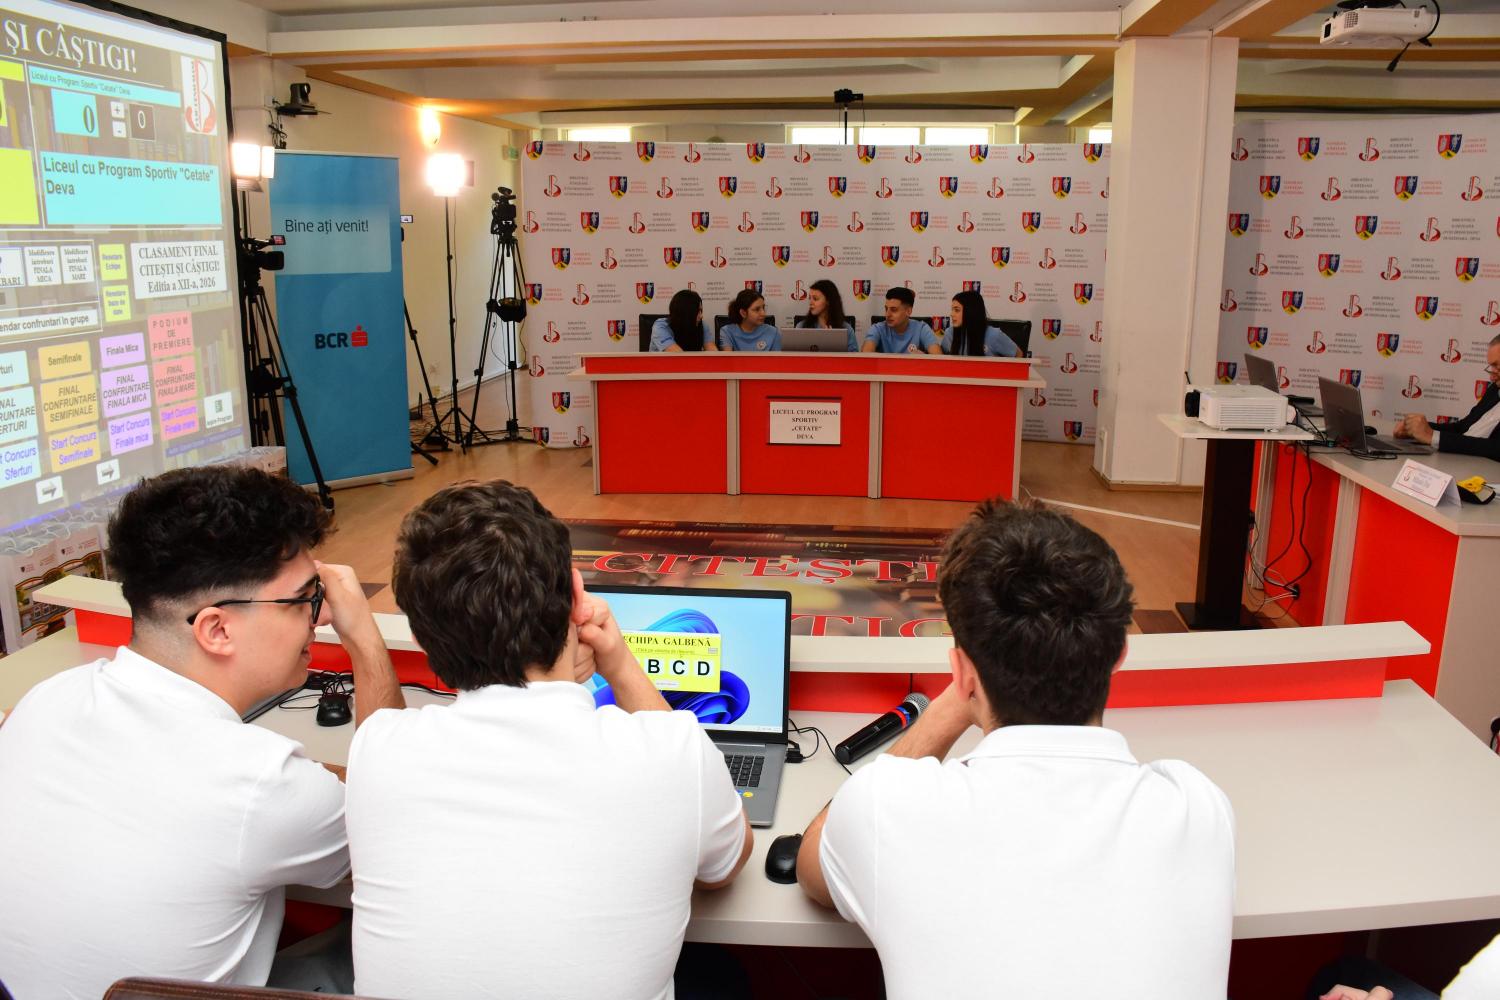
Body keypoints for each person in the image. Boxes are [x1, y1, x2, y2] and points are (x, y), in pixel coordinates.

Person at [796, 499, 1236, 1000]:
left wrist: (961, 694)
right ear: (1118, 654)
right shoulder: (1199, 808)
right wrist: (972, 677)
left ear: (962, 671)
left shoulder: (888, 804)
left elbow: (811, 869)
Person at [0, 466, 403, 1000]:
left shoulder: (44, 700)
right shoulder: (263, 786)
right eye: (304, 599)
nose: (321, 617)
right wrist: (365, 639)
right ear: (216, 628)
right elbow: (395, 818)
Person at [346, 480, 753, 1000]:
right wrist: (620, 664)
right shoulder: (673, 751)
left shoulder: (378, 749)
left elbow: (380, 729)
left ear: (423, 639)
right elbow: (724, 867)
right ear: (576, 597)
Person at [1394, 333, 1500, 460]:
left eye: (1497, 367)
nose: (1491, 377)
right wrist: (1415, 429)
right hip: (1457, 460)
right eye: (1491, 367)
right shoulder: (1495, 390)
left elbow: (1495, 448)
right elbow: (1462, 428)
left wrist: (1432, 436)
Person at [862, 286, 941, 354]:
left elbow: (938, 358)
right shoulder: (877, 329)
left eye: (894, 310)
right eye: (886, 309)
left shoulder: (921, 329)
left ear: (908, 311)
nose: (887, 314)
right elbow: (865, 357)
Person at [944, 289, 1019, 357]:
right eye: (952, 310)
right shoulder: (950, 333)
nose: (951, 314)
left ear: (971, 311)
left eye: (957, 310)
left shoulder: (994, 335)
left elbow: (1018, 355)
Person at [796, 278, 858, 351]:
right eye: (810, 298)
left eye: (815, 299)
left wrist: (833, 345)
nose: (811, 302)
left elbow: (853, 357)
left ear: (828, 301)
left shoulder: (847, 330)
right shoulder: (801, 327)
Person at [649, 288, 716, 352]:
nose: (701, 316)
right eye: (697, 311)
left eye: (701, 311)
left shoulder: (702, 325)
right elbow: (677, 355)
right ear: (685, 312)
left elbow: (713, 353)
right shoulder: (661, 326)